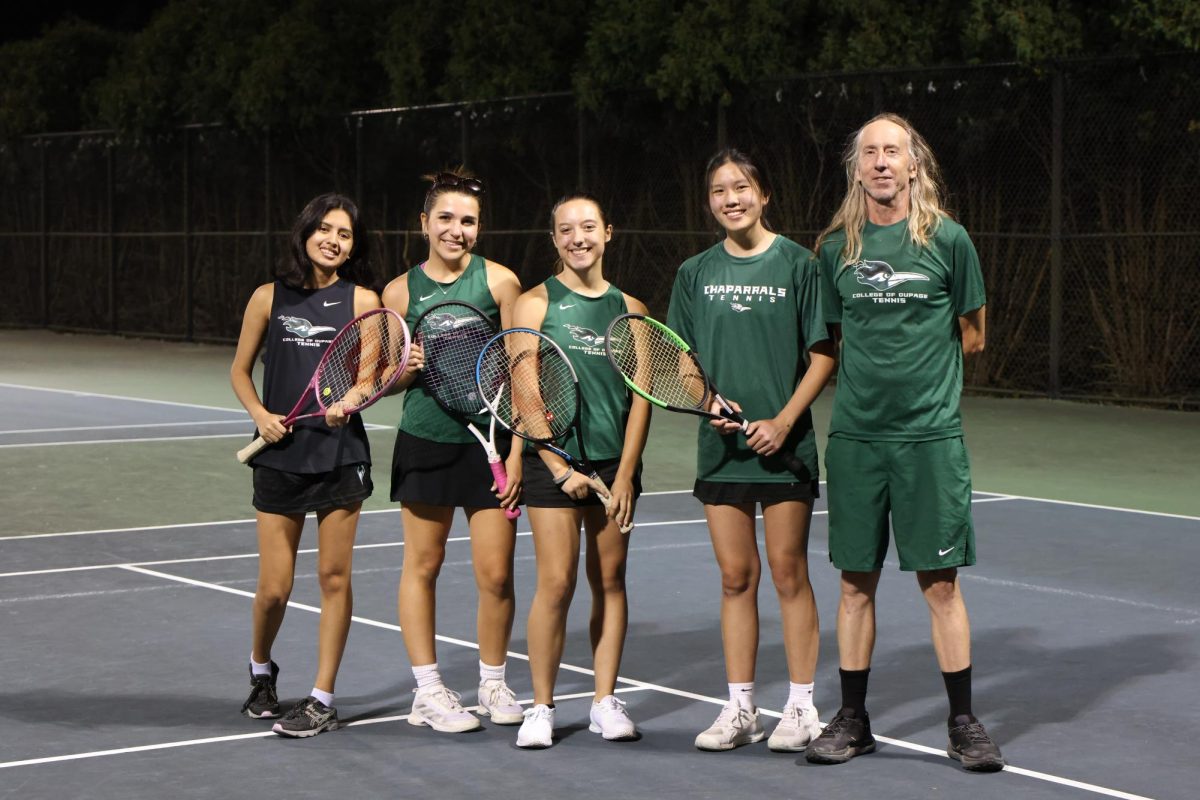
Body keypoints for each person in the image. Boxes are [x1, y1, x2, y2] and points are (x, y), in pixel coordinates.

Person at [804, 113, 1004, 772]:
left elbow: (972, 333)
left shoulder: (950, 242)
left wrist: (924, 382)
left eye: (893, 151)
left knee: (940, 586)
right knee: (854, 585)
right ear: (856, 168)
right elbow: (828, 341)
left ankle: (963, 722)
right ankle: (854, 719)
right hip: (858, 440)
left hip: (929, 440)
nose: (882, 162)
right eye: (871, 153)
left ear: (914, 164)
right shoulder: (835, 249)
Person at [666, 149, 836, 752]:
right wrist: (707, 401)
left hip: (784, 448)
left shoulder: (801, 265)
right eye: (718, 191)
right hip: (723, 452)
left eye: (741, 187)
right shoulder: (695, 272)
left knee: (790, 572)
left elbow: (823, 354)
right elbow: (680, 359)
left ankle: (801, 707)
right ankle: (741, 708)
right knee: (736, 577)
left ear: (763, 195)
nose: (730, 199)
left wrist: (784, 421)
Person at [230, 192, 383, 738]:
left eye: (343, 233)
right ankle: (261, 670)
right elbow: (240, 370)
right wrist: (259, 414)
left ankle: (322, 698)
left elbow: (369, 376)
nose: (332, 240)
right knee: (275, 586)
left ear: (352, 245)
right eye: (324, 229)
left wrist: (352, 402)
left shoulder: (363, 300)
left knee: (334, 577)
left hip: (342, 457)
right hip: (278, 456)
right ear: (305, 232)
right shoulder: (268, 297)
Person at [382, 170, 525, 733]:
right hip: (425, 441)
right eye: (445, 218)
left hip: (488, 444)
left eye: (466, 221)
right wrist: (402, 371)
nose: (455, 230)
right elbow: (383, 383)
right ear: (424, 223)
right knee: (423, 565)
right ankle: (428, 690)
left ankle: (492, 681)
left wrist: (515, 454)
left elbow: (520, 370)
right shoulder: (398, 292)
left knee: (496, 574)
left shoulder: (501, 284)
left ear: (479, 227)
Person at [511, 194, 651, 749]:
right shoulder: (534, 304)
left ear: (608, 232)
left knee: (610, 581)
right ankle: (541, 707)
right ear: (554, 240)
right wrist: (555, 463)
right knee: (556, 582)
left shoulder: (633, 309)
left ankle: (603, 702)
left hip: (615, 464)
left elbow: (641, 398)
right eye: (566, 230)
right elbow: (524, 392)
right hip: (553, 465)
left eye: (588, 227)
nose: (578, 238)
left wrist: (625, 476)